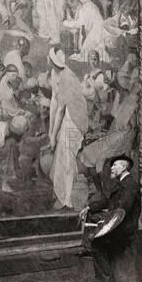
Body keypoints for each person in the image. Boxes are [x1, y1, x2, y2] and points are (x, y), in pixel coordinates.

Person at [79, 155, 141, 282]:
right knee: (91, 215)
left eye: (115, 165)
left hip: (124, 226)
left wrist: (106, 224)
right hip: (118, 222)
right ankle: (86, 245)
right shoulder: (122, 183)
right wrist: (89, 207)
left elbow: (122, 210)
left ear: (123, 167)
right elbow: (109, 201)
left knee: (97, 242)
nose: (111, 168)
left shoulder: (130, 184)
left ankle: (104, 280)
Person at [48, 47, 89, 210]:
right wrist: (52, 132)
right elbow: (54, 101)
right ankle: (62, 194)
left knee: (66, 155)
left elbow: (60, 110)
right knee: (61, 155)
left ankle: (67, 199)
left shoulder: (67, 77)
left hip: (75, 118)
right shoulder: (54, 73)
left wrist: (52, 136)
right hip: (66, 116)